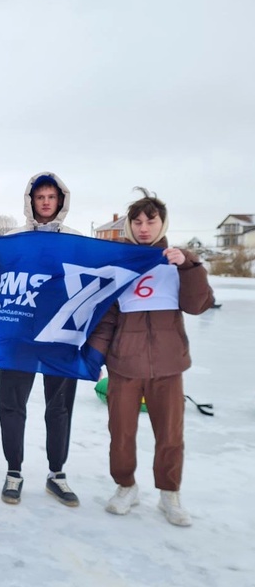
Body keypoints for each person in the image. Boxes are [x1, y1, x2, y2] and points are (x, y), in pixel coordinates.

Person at [88, 188, 214, 527]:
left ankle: (169, 494)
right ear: (130, 225)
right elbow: (108, 316)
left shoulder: (179, 261)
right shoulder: (120, 264)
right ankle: (125, 486)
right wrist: (94, 355)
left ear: (162, 223)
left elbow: (198, 305)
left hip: (168, 365)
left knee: (170, 434)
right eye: (137, 221)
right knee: (122, 433)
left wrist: (189, 266)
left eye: (151, 220)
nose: (144, 227)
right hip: (124, 364)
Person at [0, 172, 82, 508]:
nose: (46, 202)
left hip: (60, 335)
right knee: (12, 405)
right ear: (31, 201)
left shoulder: (76, 240)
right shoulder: (14, 238)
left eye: (51, 197)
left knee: (59, 406)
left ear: (60, 200)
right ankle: (13, 471)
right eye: (40, 197)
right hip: (19, 335)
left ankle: (56, 474)